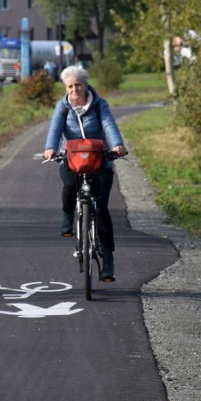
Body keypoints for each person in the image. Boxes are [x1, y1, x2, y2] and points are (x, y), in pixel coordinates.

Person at [43, 66, 127, 282]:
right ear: (66, 87)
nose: (74, 89)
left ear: (86, 85)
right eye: (70, 86)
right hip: (72, 159)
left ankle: (107, 258)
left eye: (78, 85)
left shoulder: (99, 105)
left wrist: (117, 145)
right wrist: (51, 148)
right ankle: (68, 217)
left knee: (101, 211)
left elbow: (109, 125)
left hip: (99, 160)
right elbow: (54, 129)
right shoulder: (62, 107)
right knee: (69, 185)